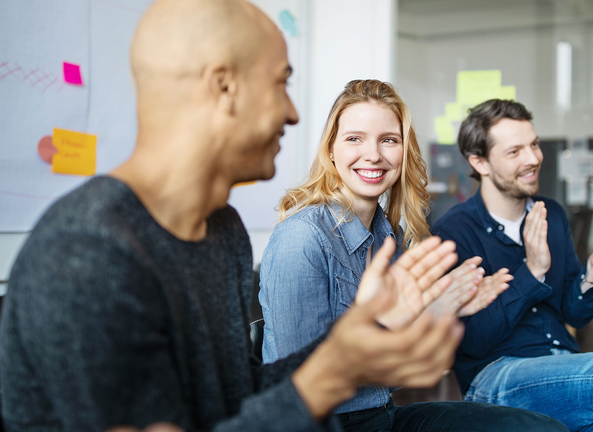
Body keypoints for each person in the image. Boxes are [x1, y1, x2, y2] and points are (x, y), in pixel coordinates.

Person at [0, 1, 477, 431]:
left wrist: (352, 348)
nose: (293, 114)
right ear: (224, 87)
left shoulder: (221, 231)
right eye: (281, 83)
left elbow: (233, 398)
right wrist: (336, 368)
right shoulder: (87, 253)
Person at [259, 80, 567, 432]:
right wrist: (420, 318)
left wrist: (438, 311)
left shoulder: (389, 234)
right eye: (354, 138)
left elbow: (392, 381)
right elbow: (299, 387)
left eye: (388, 140)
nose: (373, 154)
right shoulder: (302, 238)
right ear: (331, 149)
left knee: (541, 429)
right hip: (328, 426)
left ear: (404, 151)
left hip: (383, 415)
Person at [431, 99, 593, 431]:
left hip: (564, 365)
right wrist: (533, 272)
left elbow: (574, 314)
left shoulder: (551, 213)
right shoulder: (454, 233)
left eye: (535, 144)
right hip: (495, 378)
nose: (534, 158)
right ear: (479, 162)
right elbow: (471, 343)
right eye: (515, 152)